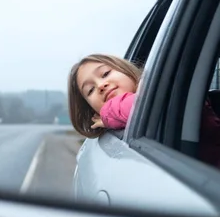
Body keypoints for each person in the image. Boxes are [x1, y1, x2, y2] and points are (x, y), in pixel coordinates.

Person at [67, 53, 220, 168]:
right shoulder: (126, 116)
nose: (101, 85)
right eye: (90, 90)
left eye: (106, 73)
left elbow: (142, 105)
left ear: (126, 70)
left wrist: (108, 112)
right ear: (92, 109)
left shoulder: (156, 90)